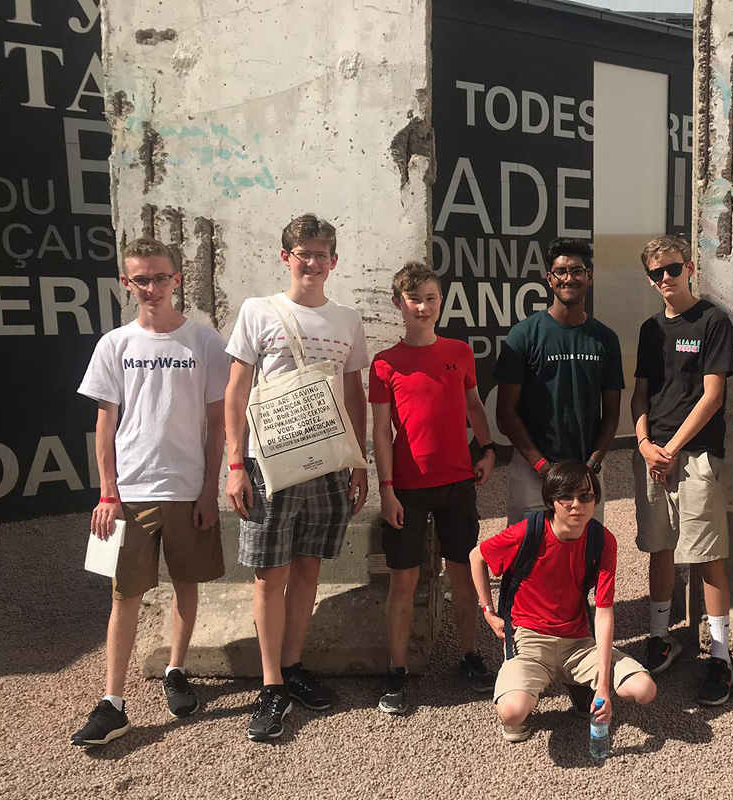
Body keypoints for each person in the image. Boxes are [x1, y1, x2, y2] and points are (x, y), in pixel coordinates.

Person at [71, 237, 229, 746]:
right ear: (127, 283)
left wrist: (211, 489)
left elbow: (215, 423)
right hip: (132, 491)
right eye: (142, 279)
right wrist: (107, 492)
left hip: (188, 490)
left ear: (177, 279)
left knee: (187, 584)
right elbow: (105, 423)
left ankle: (176, 671)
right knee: (126, 596)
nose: (152, 287)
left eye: (161, 277)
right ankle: (113, 701)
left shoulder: (204, 342)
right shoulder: (114, 345)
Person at [224, 213, 369, 742]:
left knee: (309, 568)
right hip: (269, 464)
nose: (312, 262)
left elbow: (354, 396)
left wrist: (359, 462)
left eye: (321, 253)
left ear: (334, 260)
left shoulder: (348, 319)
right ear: (286, 257)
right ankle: (270, 686)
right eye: (302, 252)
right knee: (270, 574)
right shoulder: (259, 311)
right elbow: (237, 391)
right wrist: (235, 465)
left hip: (328, 463)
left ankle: (292, 666)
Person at [368, 262, 498, 713]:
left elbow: (474, 406)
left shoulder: (460, 352)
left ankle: (469, 656)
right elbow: (380, 433)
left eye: (430, 298)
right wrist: (385, 490)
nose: (422, 307)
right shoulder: (384, 363)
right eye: (413, 299)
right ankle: (397, 670)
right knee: (403, 581)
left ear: (441, 302)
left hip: (457, 483)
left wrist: (487, 449)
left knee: (462, 572)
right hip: (406, 487)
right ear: (398, 304)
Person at [470, 461, 657, 742]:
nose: (576, 505)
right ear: (551, 501)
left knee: (644, 689)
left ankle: (579, 686)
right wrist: (488, 611)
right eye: (566, 497)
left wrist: (604, 688)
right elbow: (478, 556)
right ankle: (525, 709)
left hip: (577, 642)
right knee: (511, 711)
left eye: (586, 496)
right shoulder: (529, 532)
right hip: (531, 639)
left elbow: (604, 613)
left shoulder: (602, 540)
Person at [630, 236, 733, 705]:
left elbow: (713, 395)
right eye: (656, 274)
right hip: (655, 454)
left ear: (689, 267)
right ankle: (661, 637)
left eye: (673, 269)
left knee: (707, 556)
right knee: (660, 547)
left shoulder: (713, 321)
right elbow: (641, 394)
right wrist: (644, 443)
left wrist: (670, 448)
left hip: (694, 457)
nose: (666, 279)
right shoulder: (650, 328)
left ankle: (720, 658)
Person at [494, 238, 624, 524]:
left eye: (577, 271)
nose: (569, 278)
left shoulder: (606, 339)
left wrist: (592, 465)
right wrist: (541, 466)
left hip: (584, 472)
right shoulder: (524, 335)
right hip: (532, 472)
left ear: (589, 277)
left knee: (583, 556)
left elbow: (612, 413)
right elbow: (505, 413)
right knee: (526, 556)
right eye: (561, 272)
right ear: (550, 279)